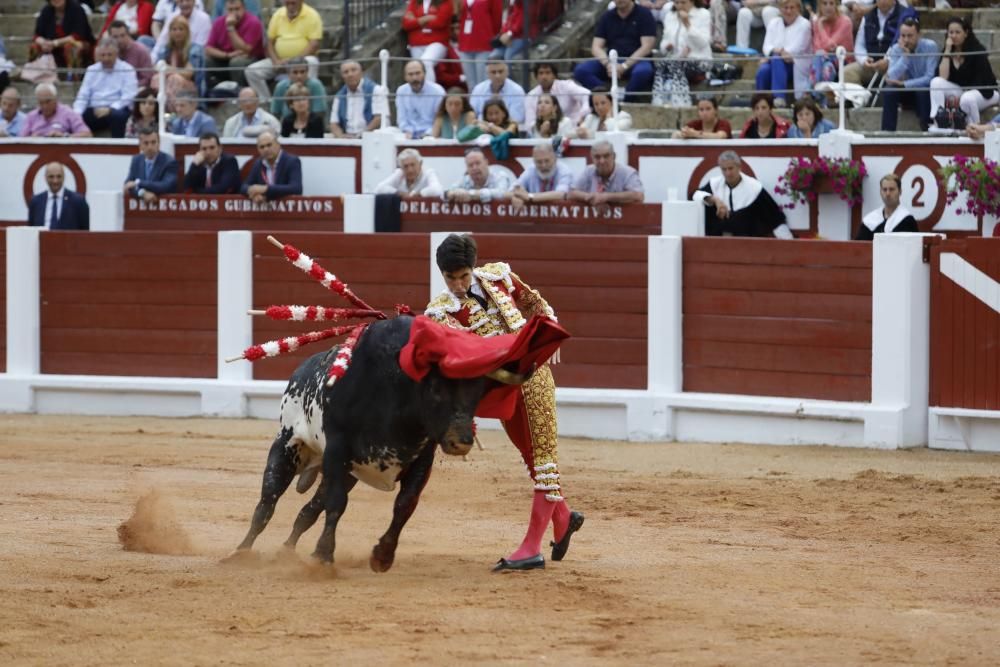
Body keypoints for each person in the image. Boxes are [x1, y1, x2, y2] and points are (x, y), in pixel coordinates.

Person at [425, 233, 584, 572]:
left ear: (473, 267)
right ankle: (564, 517)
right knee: (531, 457)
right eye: (450, 278)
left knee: (543, 461)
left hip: (535, 376)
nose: (457, 284)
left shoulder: (499, 276)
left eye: (463, 275)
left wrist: (547, 341)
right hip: (502, 388)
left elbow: (535, 303)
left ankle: (531, 547)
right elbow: (457, 357)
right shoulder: (440, 311)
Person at [693, 150, 793, 238]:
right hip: (718, 243)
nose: (728, 173)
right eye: (724, 169)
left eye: (731, 168)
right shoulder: (714, 184)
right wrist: (715, 200)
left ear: (739, 167)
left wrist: (790, 244)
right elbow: (695, 196)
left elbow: (775, 219)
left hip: (747, 244)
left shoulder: (754, 188)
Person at [573, 0, 657, 103]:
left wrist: (624, 66)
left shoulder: (644, 14)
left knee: (643, 72)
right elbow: (596, 47)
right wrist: (608, 64)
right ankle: (608, 95)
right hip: (612, 60)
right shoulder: (607, 16)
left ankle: (626, 99)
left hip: (637, 61)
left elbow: (647, 46)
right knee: (581, 70)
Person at [245, 0, 322, 102]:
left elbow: (314, 44)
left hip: (302, 61)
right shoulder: (278, 14)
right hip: (280, 61)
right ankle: (266, 103)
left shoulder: (312, 15)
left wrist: (294, 61)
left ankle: (308, 100)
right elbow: (269, 42)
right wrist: (275, 61)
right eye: (287, 1)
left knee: (312, 61)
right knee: (251, 71)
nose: (289, 3)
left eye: (293, 2)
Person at [930, 16, 998, 127]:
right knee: (935, 82)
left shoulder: (977, 50)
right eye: (951, 32)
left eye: (957, 32)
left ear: (966, 33)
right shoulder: (948, 50)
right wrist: (947, 50)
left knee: (967, 98)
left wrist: (964, 94)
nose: (953, 36)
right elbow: (943, 77)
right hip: (962, 91)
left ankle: (974, 127)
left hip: (984, 92)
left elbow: (984, 80)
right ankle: (938, 120)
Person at [842, 0, 917, 89]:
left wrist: (888, 60)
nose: (883, 1)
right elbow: (859, 45)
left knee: (898, 75)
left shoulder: (905, 15)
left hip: (895, 64)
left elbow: (907, 42)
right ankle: (861, 101)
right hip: (871, 64)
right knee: (847, 72)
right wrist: (864, 60)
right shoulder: (868, 16)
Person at [73, 38, 138, 138]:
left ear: (116, 54)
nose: (106, 59)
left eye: (109, 55)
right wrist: (76, 113)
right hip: (94, 109)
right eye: (103, 55)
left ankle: (118, 147)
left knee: (118, 116)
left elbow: (129, 95)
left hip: (117, 108)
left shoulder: (127, 69)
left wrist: (110, 109)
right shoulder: (92, 70)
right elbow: (83, 94)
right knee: (77, 117)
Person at [880, 17, 936, 132]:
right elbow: (891, 77)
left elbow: (930, 77)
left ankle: (927, 130)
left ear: (919, 35)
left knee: (923, 90)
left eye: (910, 36)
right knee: (889, 90)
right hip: (905, 93)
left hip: (924, 93)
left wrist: (904, 84)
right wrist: (905, 58)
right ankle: (887, 133)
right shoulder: (896, 48)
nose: (906, 40)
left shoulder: (930, 47)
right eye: (903, 36)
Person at [654, 0, 712, 107]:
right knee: (661, 65)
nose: (680, 6)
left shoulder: (703, 14)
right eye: (676, 3)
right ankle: (659, 101)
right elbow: (663, 43)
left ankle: (681, 103)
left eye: (683, 2)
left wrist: (688, 24)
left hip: (699, 59)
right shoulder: (670, 16)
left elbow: (704, 42)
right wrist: (667, 47)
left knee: (677, 65)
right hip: (675, 58)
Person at [755, 0, 811, 106]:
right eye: (785, 8)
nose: (788, 11)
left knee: (776, 58)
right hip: (775, 62)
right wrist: (778, 52)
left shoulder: (805, 25)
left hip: (796, 65)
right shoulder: (774, 23)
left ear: (798, 9)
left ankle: (779, 98)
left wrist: (775, 53)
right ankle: (760, 102)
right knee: (763, 70)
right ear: (780, 9)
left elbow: (796, 49)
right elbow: (766, 46)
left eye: (792, 8)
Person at [204, 0, 265, 89]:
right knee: (205, 61)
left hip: (250, 59)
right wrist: (227, 55)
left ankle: (239, 94)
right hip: (226, 58)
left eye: (237, 9)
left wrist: (231, 28)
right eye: (230, 10)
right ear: (225, 10)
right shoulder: (218, 22)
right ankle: (213, 95)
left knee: (237, 62)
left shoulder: (253, 22)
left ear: (244, 9)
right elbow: (208, 48)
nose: (234, 13)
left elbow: (246, 50)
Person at [568, 140, 644, 204]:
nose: (602, 161)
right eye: (597, 157)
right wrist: (591, 198)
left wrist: (606, 197)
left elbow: (639, 195)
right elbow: (571, 193)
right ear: (592, 158)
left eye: (606, 156)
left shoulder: (628, 172)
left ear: (614, 156)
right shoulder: (589, 170)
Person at [329, 60, 390, 138]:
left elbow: (379, 118)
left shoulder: (376, 90)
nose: (350, 74)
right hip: (348, 138)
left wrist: (362, 135)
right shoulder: (339, 96)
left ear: (361, 72)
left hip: (373, 137)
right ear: (342, 76)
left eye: (353, 70)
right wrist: (341, 136)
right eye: (346, 72)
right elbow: (333, 124)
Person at [31, 0, 96, 73]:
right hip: (51, 45)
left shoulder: (77, 9)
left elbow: (77, 35)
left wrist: (55, 43)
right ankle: (34, 74)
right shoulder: (46, 11)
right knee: (35, 46)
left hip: (76, 43)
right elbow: (37, 35)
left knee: (71, 48)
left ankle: (73, 77)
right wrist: (44, 43)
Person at [151, 15, 200, 109]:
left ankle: (174, 110)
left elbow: (188, 73)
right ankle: (160, 110)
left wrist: (169, 69)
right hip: (168, 83)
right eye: (174, 29)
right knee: (157, 78)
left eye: (181, 29)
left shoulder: (194, 49)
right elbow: (157, 67)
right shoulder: (166, 48)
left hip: (188, 86)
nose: (177, 32)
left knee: (175, 78)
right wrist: (166, 70)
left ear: (187, 31)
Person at [524, 62, 591, 130]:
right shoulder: (531, 96)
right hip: (545, 135)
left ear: (554, 76)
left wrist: (583, 114)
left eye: (548, 73)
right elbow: (529, 124)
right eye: (541, 73)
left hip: (574, 131)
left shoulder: (566, 86)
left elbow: (588, 95)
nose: (544, 77)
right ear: (536, 77)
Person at [241, 130, 303, 203]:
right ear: (258, 150)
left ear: (278, 145)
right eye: (262, 147)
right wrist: (254, 194)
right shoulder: (258, 163)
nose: (266, 149)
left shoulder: (292, 161)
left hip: (287, 210)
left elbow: (296, 188)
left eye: (269, 145)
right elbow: (244, 187)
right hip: (265, 211)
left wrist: (266, 189)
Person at [401, 0, 453, 85]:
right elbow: (406, 25)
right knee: (417, 68)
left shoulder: (445, 2)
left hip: (437, 43)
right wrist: (426, 18)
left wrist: (416, 20)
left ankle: (429, 93)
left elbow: (440, 22)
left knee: (426, 62)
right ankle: (419, 92)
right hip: (416, 44)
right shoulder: (414, 2)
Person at [510, 142, 574, 209]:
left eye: (547, 161)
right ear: (534, 161)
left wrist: (530, 197)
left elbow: (561, 194)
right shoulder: (531, 169)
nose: (543, 165)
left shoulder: (564, 171)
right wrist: (516, 196)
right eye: (539, 162)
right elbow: (511, 191)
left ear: (555, 159)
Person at [28, 162, 90, 231]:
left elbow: (85, 231)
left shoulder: (78, 201)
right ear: (45, 177)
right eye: (51, 176)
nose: (55, 181)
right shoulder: (36, 202)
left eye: (59, 176)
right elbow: (31, 229)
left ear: (64, 177)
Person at [856, 173, 918, 240]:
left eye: (891, 189)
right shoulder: (870, 221)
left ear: (900, 192)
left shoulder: (907, 221)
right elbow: (858, 247)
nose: (888, 193)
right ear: (880, 192)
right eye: (884, 190)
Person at [124, 127, 179, 203]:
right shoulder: (136, 160)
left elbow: (165, 186)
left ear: (159, 144)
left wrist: (139, 182)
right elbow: (128, 185)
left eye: (153, 142)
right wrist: (142, 193)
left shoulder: (170, 162)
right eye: (146, 143)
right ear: (140, 145)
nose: (150, 147)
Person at [457, 0, 503, 89]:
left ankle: (485, 102)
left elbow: (497, 19)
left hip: (484, 42)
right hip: (465, 42)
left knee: (483, 82)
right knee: (470, 82)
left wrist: (492, 37)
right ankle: (473, 102)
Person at [395, 60, 446, 139]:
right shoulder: (401, 91)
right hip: (408, 134)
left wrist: (427, 134)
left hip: (431, 135)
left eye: (418, 73)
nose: (414, 78)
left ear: (424, 74)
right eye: (410, 74)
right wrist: (410, 132)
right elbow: (402, 120)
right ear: (405, 77)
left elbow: (440, 120)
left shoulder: (438, 91)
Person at [810, 0, 853, 92]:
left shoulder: (845, 22)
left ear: (836, 5)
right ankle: (822, 100)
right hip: (824, 60)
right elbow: (816, 47)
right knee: (827, 66)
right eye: (824, 3)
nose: (828, 7)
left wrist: (820, 26)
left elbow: (830, 45)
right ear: (820, 6)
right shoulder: (816, 21)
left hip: (842, 61)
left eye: (831, 3)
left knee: (822, 59)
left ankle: (812, 93)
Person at [21, 82, 92, 137]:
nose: (44, 106)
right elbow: (21, 139)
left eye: (48, 101)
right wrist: (32, 138)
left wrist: (65, 136)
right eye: (41, 102)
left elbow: (87, 134)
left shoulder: (68, 113)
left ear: (55, 99)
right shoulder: (31, 116)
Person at [445, 147, 513, 202]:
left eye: (478, 163)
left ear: (486, 163)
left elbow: (502, 193)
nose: (474, 168)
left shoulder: (500, 176)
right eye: (470, 165)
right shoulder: (466, 179)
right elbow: (444, 193)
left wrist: (471, 195)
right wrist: (452, 193)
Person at [469, 60, 526, 126]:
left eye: (500, 71)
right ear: (487, 74)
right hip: (482, 129)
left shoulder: (517, 90)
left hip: (507, 129)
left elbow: (517, 118)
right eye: (493, 72)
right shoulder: (478, 89)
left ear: (507, 72)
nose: (497, 76)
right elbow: (471, 114)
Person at [373, 148, 444, 199]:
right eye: (405, 166)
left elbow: (437, 190)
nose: (410, 170)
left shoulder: (429, 173)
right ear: (401, 168)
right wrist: (399, 193)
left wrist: (417, 195)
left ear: (420, 163)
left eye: (413, 165)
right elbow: (378, 189)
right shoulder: (399, 173)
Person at [109, 20, 154, 88]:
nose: (120, 40)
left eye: (122, 35)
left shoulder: (141, 51)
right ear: (110, 38)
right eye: (115, 37)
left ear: (128, 35)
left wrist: (128, 86)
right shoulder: (106, 53)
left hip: (136, 89)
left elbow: (147, 79)